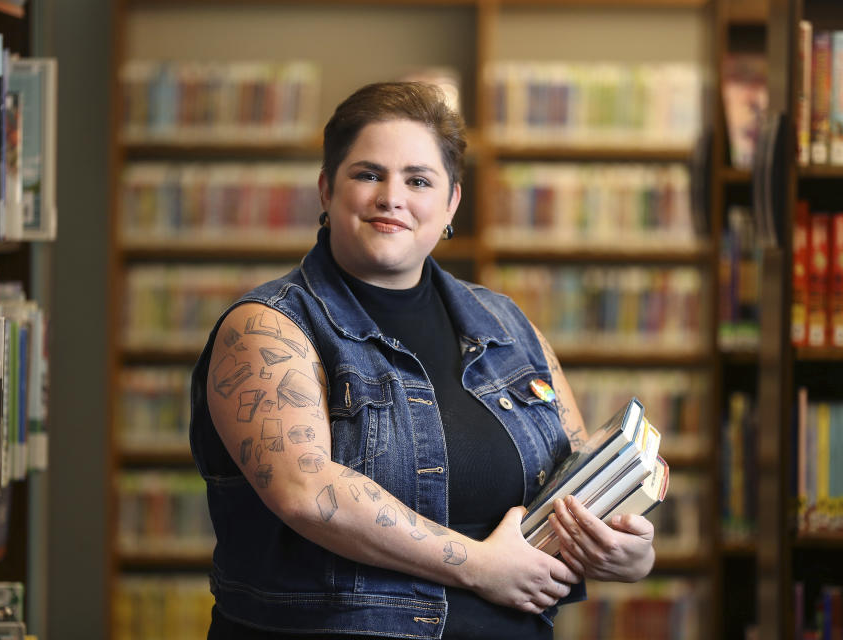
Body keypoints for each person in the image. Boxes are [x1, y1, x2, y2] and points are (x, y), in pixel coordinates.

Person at [189, 81, 655, 639]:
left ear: (451, 201)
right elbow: (307, 491)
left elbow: (574, 474)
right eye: (367, 174)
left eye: (418, 180)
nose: (392, 197)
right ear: (325, 189)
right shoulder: (266, 327)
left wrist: (621, 551)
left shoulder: (508, 326)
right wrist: (479, 566)